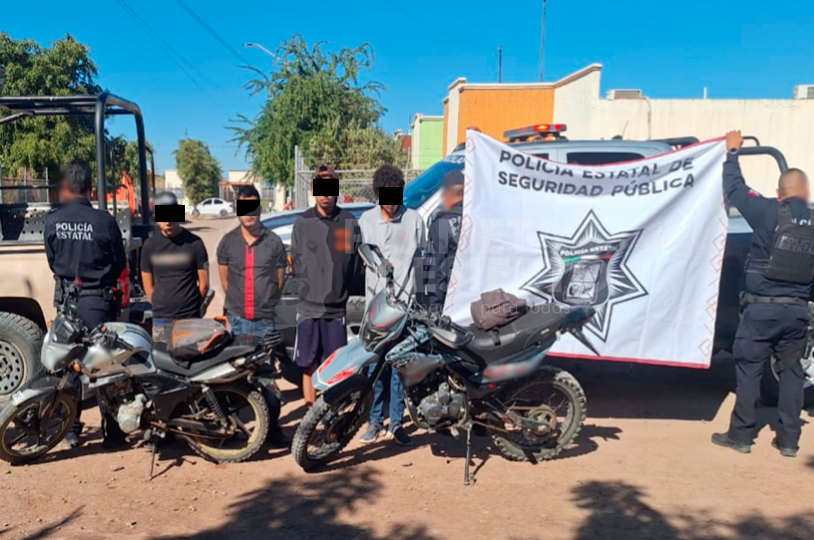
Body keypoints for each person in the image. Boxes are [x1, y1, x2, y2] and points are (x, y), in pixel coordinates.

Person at [712, 130, 811, 458]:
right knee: (792, 374)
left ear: (779, 193)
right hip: (797, 313)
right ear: (806, 192)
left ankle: (741, 436)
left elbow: (735, 189)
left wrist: (732, 153)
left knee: (749, 371)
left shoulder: (768, 210)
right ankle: (789, 441)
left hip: (760, 312)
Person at [44, 160, 128, 448]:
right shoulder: (105, 221)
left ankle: (71, 431)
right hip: (99, 303)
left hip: (68, 303)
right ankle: (113, 434)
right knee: (104, 365)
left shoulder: (53, 221)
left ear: (66, 187)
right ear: (91, 188)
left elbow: (52, 262)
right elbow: (119, 262)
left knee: (71, 366)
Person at [358, 165, 425, 446]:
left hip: (404, 308)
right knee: (375, 366)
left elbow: (421, 259)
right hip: (377, 309)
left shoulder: (415, 221)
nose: (390, 200)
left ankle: (396, 423)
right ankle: (375, 421)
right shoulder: (366, 221)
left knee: (399, 367)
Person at [216, 185, 288, 445]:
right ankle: (234, 429)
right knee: (234, 378)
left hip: (264, 323)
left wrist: (264, 305)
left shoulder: (274, 242)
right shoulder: (227, 243)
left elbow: (279, 281)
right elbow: (225, 281)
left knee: (267, 379)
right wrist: (237, 307)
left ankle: (272, 430)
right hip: (237, 322)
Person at [290, 166, 360, 407]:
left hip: (336, 310)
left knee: (335, 367)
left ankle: (332, 415)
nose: (326, 194)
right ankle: (310, 414)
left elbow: (353, 265)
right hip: (308, 309)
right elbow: (296, 263)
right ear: (313, 191)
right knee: (308, 364)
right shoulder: (303, 223)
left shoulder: (348, 223)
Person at [141, 191, 209, 343]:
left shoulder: (195, 243)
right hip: (161, 321)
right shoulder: (149, 246)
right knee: (162, 358)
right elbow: (147, 285)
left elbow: (204, 285)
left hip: (190, 320)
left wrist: (191, 306)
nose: (167, 220)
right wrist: (161, 305)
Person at [423, 169, 464, 311]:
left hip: (447, 300)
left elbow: (436, 269)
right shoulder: (477, 219)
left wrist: (434, 307)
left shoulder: (440, 224)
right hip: (474, 303)